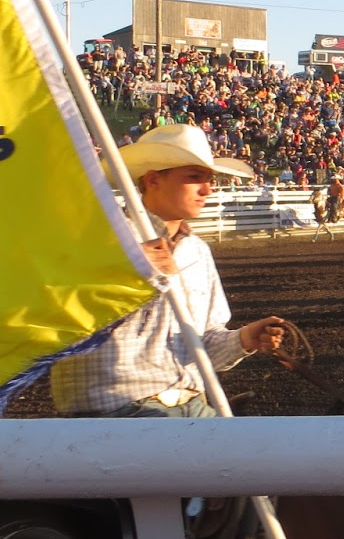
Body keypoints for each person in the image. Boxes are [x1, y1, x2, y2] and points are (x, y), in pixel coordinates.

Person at [52, 124, 287, 418]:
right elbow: (52, 316)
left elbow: (202, 343)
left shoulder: (198, 252)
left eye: (209, 179)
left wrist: (244, 339)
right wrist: (122, 271)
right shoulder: (96, 239)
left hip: (191, 403)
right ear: (153, 180)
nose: (207, 190)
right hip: (117, 407)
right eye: (194, 177)